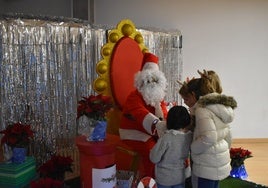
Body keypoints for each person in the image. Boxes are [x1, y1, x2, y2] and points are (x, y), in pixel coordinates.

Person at [119, 52, 168, 178]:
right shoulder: (134, 97)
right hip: (133, 132)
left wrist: (170, 127)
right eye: (148, 80)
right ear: (141, 81)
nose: (152, 83)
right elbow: (141, 116)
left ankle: (166, 179)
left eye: (155, 80)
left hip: (154, 132)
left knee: (169, 145)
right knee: (153, 150)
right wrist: (161, 128)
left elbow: (164, 115)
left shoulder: (159, 97)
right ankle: (150, 180)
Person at [189, 70, 237, 188]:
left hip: (207, 162)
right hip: (219, 158)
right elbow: (228, 134)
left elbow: (209, 137)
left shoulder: (203, 109)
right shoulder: (223, 107)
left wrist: (193, 148)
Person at [150, 105, 193, 188]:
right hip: (180, 177)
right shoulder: (189, 136)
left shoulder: (166, 138)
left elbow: (154, 158)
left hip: (164, 179)